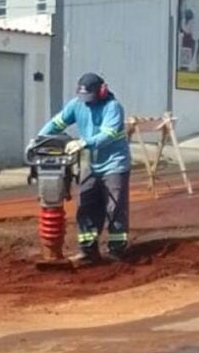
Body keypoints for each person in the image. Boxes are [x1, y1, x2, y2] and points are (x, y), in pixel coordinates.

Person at [38, 73, 132, 263]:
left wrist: (83, 143)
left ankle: (116, 250)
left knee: (114, 207)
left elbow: (108, 135)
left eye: (90, 97)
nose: (87, 102)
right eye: (84, 97)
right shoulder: (77, 104)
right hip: (92, 163)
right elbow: (57, 123)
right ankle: (88, 250)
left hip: (114, 163)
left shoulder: (113, 107)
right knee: (86, 205)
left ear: (102, 91)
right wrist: (39, 140)